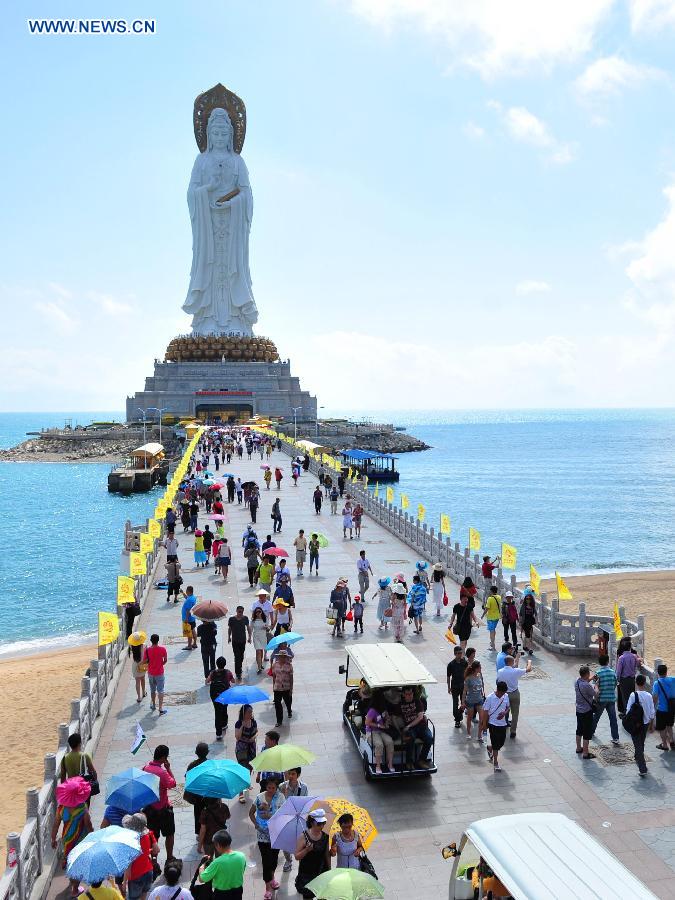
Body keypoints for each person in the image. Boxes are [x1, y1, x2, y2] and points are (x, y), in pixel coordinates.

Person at [249, 775, 285, 900]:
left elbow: (283, 815)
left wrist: (270, 814)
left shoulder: (281, 797)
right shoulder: (259, 798)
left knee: (274, 860)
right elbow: (251, 812)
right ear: (265, 787)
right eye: (269, 787)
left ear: (277, 788)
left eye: (273, 788)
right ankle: (268, 888)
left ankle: (272, 878)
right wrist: (256, 824)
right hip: (262, 836)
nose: (271, 790)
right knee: (266, 861)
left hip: (276, 834)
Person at [142, 745, 176, 861]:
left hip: (149, 808)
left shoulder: (145, 768)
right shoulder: (162, 772)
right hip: (163, 808)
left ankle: (153, 859)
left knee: (153, 836)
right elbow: (172, 784)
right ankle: (170, 857)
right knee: (169, 834)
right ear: (163, 757)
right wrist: (168, 769)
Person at [198, 829, 246, 900]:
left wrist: (202, 866)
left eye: (215, 845)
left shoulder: (217, 862)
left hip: (221, 894)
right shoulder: (241, 856)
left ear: (218, 845)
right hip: (238, 891)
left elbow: (202, 879)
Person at [294, 810, 331, 898]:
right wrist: (307, 849)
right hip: (307, 873)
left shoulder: (325, 836)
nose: (322, 826)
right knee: (308, 896)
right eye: (319, 824)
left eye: (323, 823)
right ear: (312, 822)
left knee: (322, 896)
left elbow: (327, 855)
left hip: (321, 871)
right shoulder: (303, 836)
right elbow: (297, 856)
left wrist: (329, 871)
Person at [123, 813, 158, 900]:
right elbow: (157, 850)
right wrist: (147, 852)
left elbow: (129, 865)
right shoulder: (148, 834)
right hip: (149, 871)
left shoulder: (130, 842)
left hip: (136, 876)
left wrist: (124, 883)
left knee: (133, 898)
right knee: (144, 894)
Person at [626, 674, 655, 776]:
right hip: (646, 724)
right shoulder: (649, 695)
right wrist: (652, 725)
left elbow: (628, 710)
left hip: (636, 724)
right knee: (641, 742)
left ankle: (642, 768)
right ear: (644, 683)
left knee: (637, 744)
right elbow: (652, 712)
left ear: (636, 683)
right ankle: (637, 756)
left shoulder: (633, 695)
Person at [496, 654, 532, 739]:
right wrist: (529, 662)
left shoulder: (500, 671)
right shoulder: (515, 671)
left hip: (504, 694)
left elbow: (498, 680)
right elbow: (528, 669)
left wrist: (517, 658)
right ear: (511, 662)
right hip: (515, 694)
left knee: (504, 711)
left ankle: (503, 726)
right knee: (515, 713)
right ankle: (513, 731)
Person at [398, 685, 433, 769]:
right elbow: (393, 716)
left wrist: (409, 725)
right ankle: (409, 762)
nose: (410, 696)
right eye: (407, 694)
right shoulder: (400, 704)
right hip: (410, 729)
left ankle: (421, 760)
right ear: (403, 694)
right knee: (410, 738)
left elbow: (420, 717)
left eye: (411, 693)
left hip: (421, 726)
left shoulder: (417, 701)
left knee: (429, 738)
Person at [481, 681, 510, 773]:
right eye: (502, 693)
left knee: (501, 742)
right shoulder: (490, 698)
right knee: (496, 744)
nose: (503, 694)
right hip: (493, 724)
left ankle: (490, 748)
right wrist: (484, 724)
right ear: (498, 690)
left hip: (502, 724)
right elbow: (485, 712)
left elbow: (508, 707)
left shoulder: (506, 696)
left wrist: (504, 713)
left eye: (504, 693)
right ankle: (496, 762)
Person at [592, 654, 620, 745]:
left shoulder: (597, 673)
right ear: (608, 661)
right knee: (613, 719)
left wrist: (595, 699)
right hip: (611, 699)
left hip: (601, 699)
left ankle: (591, 732)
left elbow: (595, 687)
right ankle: (615, 738)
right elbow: (615, 684)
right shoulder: (613, 672)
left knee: (596, 717)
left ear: (599, 662)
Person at [365, 692, 395, 773]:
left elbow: (386, 717)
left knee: (390, 742)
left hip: (382, 731)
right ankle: (378, 766)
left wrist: (387, 720)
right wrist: (379, 725)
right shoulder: (372, 710)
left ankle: (390, 764)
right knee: (379, 744)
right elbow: (367, 722)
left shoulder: (383, 709)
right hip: (372, 731)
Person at [207, 657, 235, 740]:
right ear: (225, 664)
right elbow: (233, 681)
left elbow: (207, 681)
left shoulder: (213, 673)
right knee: (224, 708)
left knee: (217, 712)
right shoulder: (228, 672)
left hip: (215, 695)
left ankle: (218, 733)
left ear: (216, 664)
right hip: (225, 695)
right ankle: (224, 724)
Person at [185, 742, 210, 837]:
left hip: (197, 796)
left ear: (196, 752)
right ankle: (208, 831)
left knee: (198, 814)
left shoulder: (192, 765)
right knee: (210, 812)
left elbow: (188, 778)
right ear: (208, 752)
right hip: (209, 795)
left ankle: (199, 833)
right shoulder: (210, 764)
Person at [234, 705, 258, 803]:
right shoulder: (239, 723)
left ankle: (247, 782)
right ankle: (240, 793)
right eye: (248, 712)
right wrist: (242, 726)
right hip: (242, 749)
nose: (250, 714)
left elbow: (257, 731)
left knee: (249, 767)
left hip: (251, 748)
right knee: (242, 769)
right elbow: (237, 737)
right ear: (243, 713)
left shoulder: (253, 721)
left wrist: (254, 737)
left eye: (251, 712)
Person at [575, 666, 597, 761]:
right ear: (587, 674)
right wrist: (596, 684)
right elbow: (595, 693)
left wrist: (591, 679)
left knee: (579, 729)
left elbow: (584, 683)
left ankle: (578, 748)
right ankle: (585, 753)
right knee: (587, 732)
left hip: (578, 710)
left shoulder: (577, 681)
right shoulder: (587, 686)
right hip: (587, 711)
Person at [652, 663, 675, 751]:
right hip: (671, 708)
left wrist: (652, 707)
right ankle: (672, 741)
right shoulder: (673, 679)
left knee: (662, 728)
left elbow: (655, 697)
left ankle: (664, 745)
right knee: (669, 725)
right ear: (666, 671)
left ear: (658, 672)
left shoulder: (657, 683)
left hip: (662, 709)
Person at [144, 634, 168, 715]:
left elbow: (145, 661)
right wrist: (160, 664)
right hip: (160, 673)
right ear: (158, 640)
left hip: (151, 673)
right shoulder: (162, 649)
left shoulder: (147, 650)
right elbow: (165, 660)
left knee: (152, 690)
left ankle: (153, 704)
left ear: (151, 640)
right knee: (160, 690)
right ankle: (160, 708)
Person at [616, 639, 642, 715]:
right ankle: (631, 713)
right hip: (632, 679)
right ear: (630, 647)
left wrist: (617, 680)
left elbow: (618, 671)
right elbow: (638, 664)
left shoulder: (621, 658)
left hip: (624, 680)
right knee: (631, 696)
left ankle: (627, 714)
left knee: (625, 698)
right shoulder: (634, 656)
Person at [461, 660, 485, 741]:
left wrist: (482, 694)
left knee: (482, 717)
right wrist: (463, 702)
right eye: (480, 667)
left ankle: (479, 735)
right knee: (470, 718)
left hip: (479, 700)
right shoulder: (468, 678)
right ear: (476, 668)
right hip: (470, 700)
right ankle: (468, 733)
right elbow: (464, 691)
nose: (481, 668)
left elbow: (481, 687)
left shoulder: (480, 676)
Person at [228, 607, 252, 681]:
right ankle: (238, 673)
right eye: (239, 611)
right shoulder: (232, 619)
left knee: (241, 656)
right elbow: (230, 629)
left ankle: (239, 667)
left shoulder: (245, 618)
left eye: (241, 612)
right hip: (235, 641)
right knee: (237, 656)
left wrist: (249, 637)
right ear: (236, 611)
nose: (240, 613)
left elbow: (248, 628)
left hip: (242, 640)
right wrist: (229, 637)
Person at [272, 649, 294, 727]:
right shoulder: (275, 665)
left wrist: (291, 689)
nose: (282, 658)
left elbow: (291, 678)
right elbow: (274, 676)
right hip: (277, 688)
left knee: (288, 702)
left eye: (284, 657)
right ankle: (279, 721)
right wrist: (273, 686)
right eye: (281, 656)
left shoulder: (289, 666)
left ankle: (289, 710)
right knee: (277, 704)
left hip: (286, 687)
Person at [447, 645, 467, 729]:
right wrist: (448, 687)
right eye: (458, 653)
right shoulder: (451, 664)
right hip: (454, 686)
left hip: (463, 686)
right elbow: (448, 676)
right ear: (455, 654)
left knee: (463, 703)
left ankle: (459, 715)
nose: (459, 655)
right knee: (455, 704)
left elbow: (467, 673)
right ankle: (457, 720)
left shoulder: (464, 662)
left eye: (461, 653)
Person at [481, 585, 502, 651]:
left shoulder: (490, 598)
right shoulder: (499, 597)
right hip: (497, 617)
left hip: (491, 618)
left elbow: (487, 608)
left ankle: (493, 646)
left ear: (491, 591)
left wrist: (482, 615)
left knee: (491, 632)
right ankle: (492, 642)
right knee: (493, 630)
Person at [251, 607, 270, 673]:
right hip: (256, 636)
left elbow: (268, 628)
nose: (258, 613)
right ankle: (259, 667)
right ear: (255, 613)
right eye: (256, 612)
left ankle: (260, 664)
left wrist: (266, 628)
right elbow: (250, 629)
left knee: (261, 651)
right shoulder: (253, 621)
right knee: (258, 651)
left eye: (259, 611)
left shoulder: (265, 619)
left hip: (263, 636)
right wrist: (249, 638)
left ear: (261, 612)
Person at [129, 638, 148, 704]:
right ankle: (143, 692)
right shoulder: (144, 645)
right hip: (142, 664)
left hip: (135, 665)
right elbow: (146, 654)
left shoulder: (132, 646)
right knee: (143, 679)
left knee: (137, 681)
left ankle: (139, 697)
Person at [181, 586, 198, 651]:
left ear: (188, 591)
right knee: (193, 630)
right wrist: (182, 593)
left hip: (189, 619)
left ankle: (189, 646)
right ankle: (195, 643)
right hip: (192, 618)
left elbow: (188, 611)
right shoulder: (192, 597)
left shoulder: (189, 600)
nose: (186, 592)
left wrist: (186, 619)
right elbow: (186, 597)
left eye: (186, 591)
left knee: (189, 632)